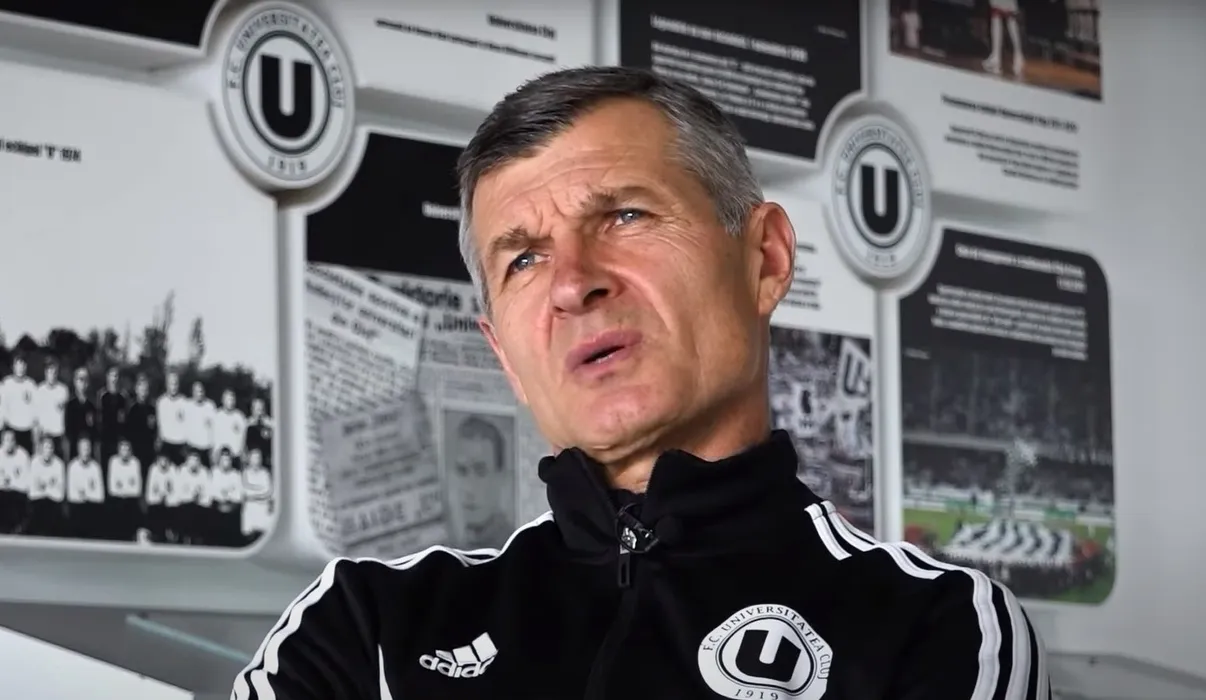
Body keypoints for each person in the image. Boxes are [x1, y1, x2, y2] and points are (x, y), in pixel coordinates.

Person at [232, 67, 1049, 699]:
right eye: (524, 259)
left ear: (764, 260)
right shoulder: (364, 626)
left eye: (624, 215)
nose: (572, 283)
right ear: (505, 355)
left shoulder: (938, 624)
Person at [443, 413, 514, 549]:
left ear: (501, 478)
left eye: (481, 472)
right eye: (462, 471)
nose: (469, 488)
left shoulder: (515, 546)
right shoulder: (450, 544)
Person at [1, 356, 38, 455]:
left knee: (27, 457)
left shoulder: (31, 384)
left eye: (22, 365)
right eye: (18, 365)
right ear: (13, 367)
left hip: (27, 430)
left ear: (26, 367)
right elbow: (3, 407)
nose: (20, 368)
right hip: (11, 428)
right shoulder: (6, 383)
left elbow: (35, 409)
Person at [33, 360, 68, 460]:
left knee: (59, 462)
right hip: (44, 434)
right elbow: (36, 417)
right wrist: (36, 439)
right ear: (45, 372)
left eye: (54, 372)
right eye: (50, 372)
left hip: (58, 435)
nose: (52, 375)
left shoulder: (63, 390)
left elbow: (65, 414)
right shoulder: (39, 390)